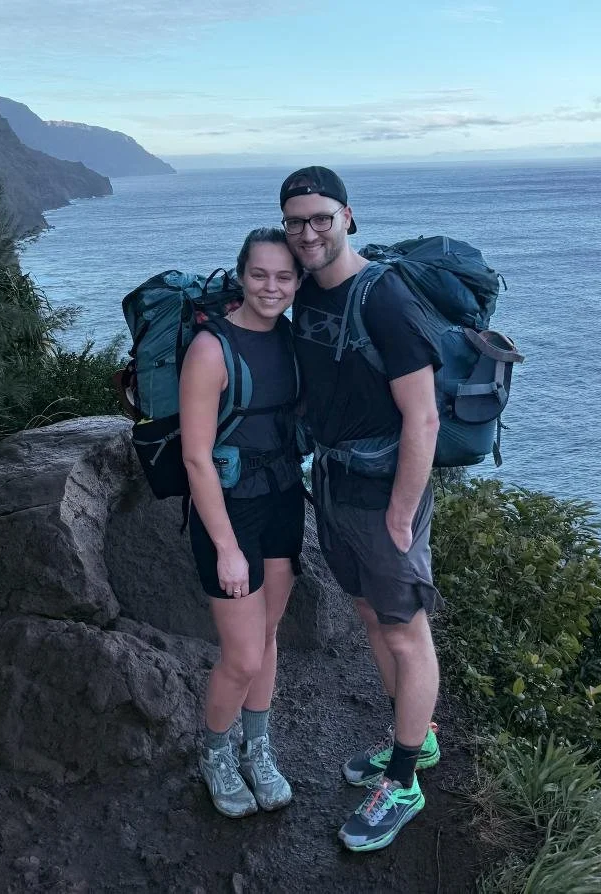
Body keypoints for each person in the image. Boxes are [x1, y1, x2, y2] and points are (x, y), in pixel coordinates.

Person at [280, 167, 443, 851]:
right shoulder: (307, 290)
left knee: (405, 630)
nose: (308, 232)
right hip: (335, 481)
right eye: (296, 221)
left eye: (321, 217)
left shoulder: (386, 298)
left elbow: (424, 417)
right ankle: (415, 738)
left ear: (348, 216)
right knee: (372, 616)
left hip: (383, 491)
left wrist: (402, 515)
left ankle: (403, 783)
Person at [180, 227, 304, 819]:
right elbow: (195, 458)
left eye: (283, 276)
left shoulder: (291, 337)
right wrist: (226, 548)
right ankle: (215, 753)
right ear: (241, 275)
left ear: (298, 281)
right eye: (259, 275)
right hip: (229, 513)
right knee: (243, 656)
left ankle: (257, 749)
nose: (271, 287)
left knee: (269, 635)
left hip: (283, 498)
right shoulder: (211, 349)